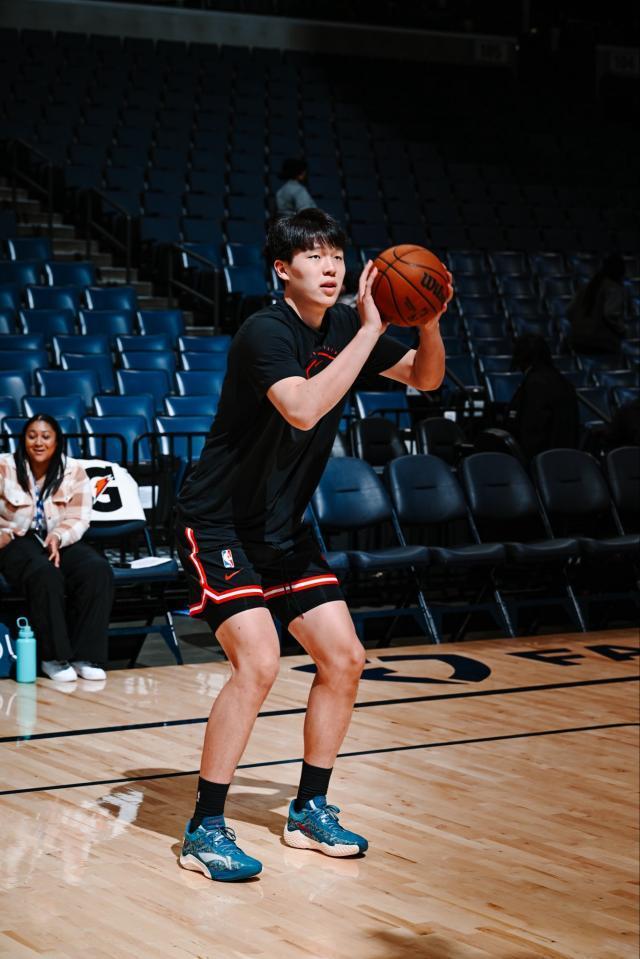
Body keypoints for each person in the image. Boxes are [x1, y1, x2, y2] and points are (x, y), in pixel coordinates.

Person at [175, 208, 452, 882]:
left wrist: (429, 319)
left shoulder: (347, 328)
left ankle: (308, 810)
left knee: (345, 659)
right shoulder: (264, 331)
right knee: (259, 663)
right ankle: (204, 827)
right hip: (218, 522)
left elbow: (426, 378)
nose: (329, 267)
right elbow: (302, 406)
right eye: (313, 256)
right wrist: (372, 330)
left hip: (283, 528)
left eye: (336, 255)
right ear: (283, 268)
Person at [0, 414, 114, 682]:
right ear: (23, 440)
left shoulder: (73, 470)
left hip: (58, 538)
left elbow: (80, 517)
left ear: (57, 441)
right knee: (43, 572)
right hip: (14, 539)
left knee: (96, 569)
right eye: (32, 436)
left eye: (45, 436)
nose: (38, 442)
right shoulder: (4, 467)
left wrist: (59, 537)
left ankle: (86, 657)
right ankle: (53, 658)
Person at [509, 334, 580, 460]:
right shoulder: (564, 382)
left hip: (543, 461)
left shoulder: (534, 384)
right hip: (568, 458)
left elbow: (532, 431)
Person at [568, 253, 628, 354]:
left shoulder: (587, 286)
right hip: (602, 343)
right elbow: (610, 314)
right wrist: (622, 330)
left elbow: (569, 311)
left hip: (578, 342)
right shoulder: (613, 288)